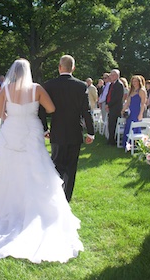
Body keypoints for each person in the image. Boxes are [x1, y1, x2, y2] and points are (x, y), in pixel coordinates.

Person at [0, 58, 84, 263]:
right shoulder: (36, 89)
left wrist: (13, 114)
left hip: (12, 130)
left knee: (10, 169)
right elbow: (51, 108)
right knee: (36, 167)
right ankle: (34, 206)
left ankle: (10, 205)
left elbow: (0, 113)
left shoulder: (6, 89)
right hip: (31, 130)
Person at [39, 55, 94, 202]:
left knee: (56, 165)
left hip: (57, 132)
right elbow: (86, 111)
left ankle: (54, 196)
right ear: (73, 68)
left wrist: (45, 129)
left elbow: (41, 110)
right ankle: (66, 198)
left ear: (59, 67)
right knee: (71, 167)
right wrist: (91, 132)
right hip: (75, 132)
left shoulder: (49, 85)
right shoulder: (81, 86)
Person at [121, 75, 147, 147]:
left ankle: (135, 144)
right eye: (133, 81)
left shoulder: (141, 90)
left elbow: (143, 103)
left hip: (137, 111)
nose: (134, 83)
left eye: (136, 81)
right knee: (128, 125)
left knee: (135, 126)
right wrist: (123, 110)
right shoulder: (131, 91)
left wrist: (141, 114)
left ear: (139, 82)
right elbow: (127, 103)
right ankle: (127, 144)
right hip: (131, 111)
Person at [105, 69, 124, 145]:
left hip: (116, 108)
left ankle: (112, 140)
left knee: (113, 124)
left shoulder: (119, 85)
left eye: (113, 75)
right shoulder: (111, 84)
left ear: (117, 76)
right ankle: (110, 139)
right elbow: (108, 95)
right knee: (110, 124)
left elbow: (117, 98)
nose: (111, 76)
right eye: (111, 75)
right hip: (111, 107)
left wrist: (108, 105)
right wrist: (107, 103)